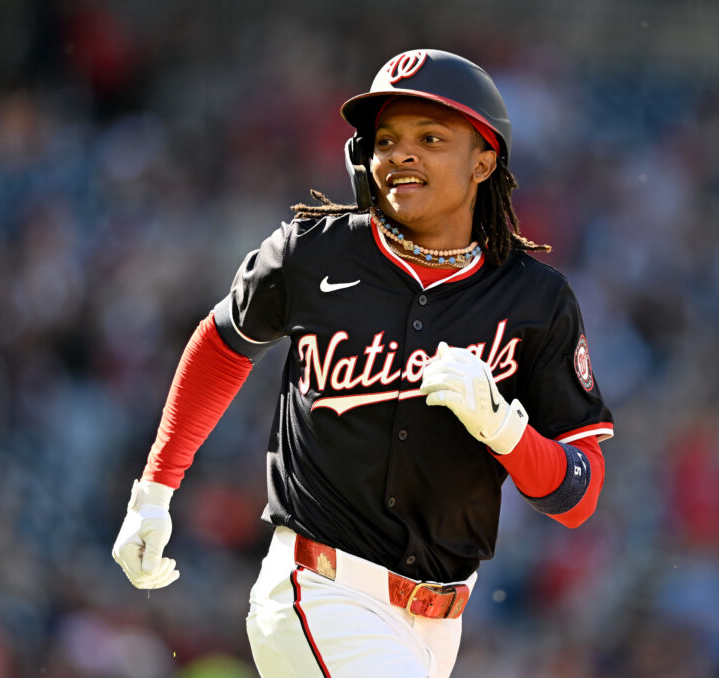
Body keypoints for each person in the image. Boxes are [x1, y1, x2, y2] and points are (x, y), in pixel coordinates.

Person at [112, 48, 614, 678]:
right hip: (317, 592)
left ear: (484, 161)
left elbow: (579, 495)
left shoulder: (535, 299)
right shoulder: (312, 254)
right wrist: (154, 492)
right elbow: (221, 344)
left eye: (431, 137)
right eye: (387, 139)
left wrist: (503, 429)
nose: (401, 154)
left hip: (439, 627)